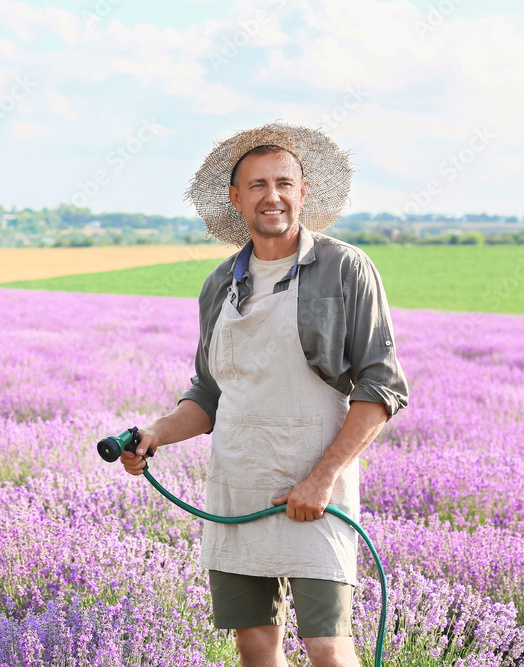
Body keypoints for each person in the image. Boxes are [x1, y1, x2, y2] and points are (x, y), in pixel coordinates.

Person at [121, 121, 408, 667]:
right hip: (237, 486)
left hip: (316, 495)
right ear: (235, 198)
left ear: (303, 192)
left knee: (326, 646)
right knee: (255, 647)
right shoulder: (219, 284)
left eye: (283, 183)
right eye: (257, 185)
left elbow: (381, 387)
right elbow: (209, 394)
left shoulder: (345, 268)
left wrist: (321, 479)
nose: (271, 196)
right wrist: (155, 434)